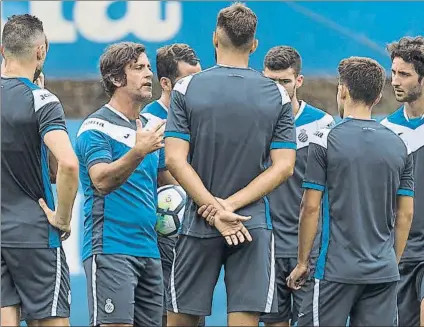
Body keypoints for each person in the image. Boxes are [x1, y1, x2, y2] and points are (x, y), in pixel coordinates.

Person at [164, 3, 297, 326]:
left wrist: (213, 209)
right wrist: (230, 208)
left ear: (214, 40)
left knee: (181, 320)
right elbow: (284, 167)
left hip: (199, 221)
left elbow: (174, 159)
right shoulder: (277, 95)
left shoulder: (186, 88)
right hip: (249, 223)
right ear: (254, 45)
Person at [287, 56, 415, 326]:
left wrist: (301, 263)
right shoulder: (400, 145)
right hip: (383, 272)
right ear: (378, 96)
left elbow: (310, 207)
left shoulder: (324, 140)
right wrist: (392, 261)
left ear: (342, 90)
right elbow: (405, 215)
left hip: (334, 270)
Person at [75, 42, 166, 326]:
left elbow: (170, 181)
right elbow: (101, 180)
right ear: (116, 79)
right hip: (111, 248)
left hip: (150, 251)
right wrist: (138, 151)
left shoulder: (152, 125)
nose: (148, 74)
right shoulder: (96, 127)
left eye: (148, 67)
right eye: (138, 68)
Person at [1, 14, 79, 327]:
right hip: (34, 234)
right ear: (41, 51)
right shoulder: (41, 100)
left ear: (2, 50)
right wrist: (62, 217)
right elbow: (69, 164)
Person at [259, 46, 334, 327]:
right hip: (267, 246)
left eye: (284, 81)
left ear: (298, 81)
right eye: (271, 81)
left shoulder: (322, 125)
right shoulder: (254, 124)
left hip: (310, 248)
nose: (278, 88)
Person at [141, 43, 203, 327]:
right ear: (165, 83)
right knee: (168, 311)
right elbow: (165, 175)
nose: (195, 87)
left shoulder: (205, 114)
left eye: (198, 79)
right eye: (186, 81)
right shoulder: (149, 121)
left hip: (201, 228)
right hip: (166, 232)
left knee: (193, 310)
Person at [381, 36, 424, 327]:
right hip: (400, 253)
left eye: (405, 75)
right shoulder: (385, 132)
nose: (395, 81)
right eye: (394, 72)